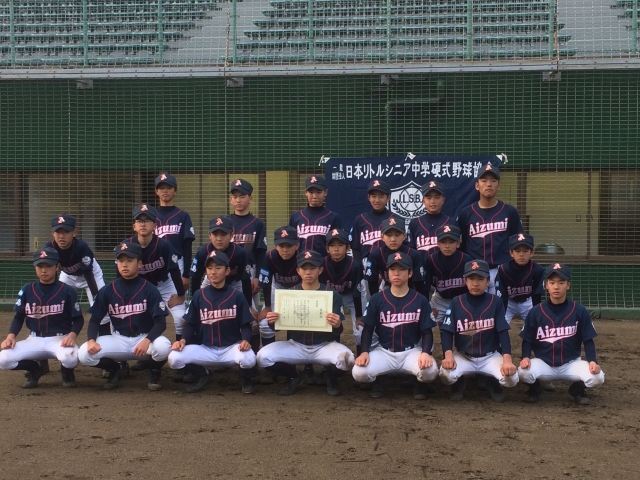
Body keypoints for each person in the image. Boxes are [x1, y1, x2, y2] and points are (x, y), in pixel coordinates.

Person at [257, 250, 354, 396]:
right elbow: (276, 328)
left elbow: (338, 330)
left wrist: (337, 325)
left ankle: (329, 376)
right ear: (298, 271)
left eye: (312, 268)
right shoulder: (288, 294)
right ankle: (294, 376)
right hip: (296, 345)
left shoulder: (332, 294)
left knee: (348, 359)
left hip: (324, 346)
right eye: (304, 268)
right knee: (262, 357)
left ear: (320, 270)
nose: (308, 272)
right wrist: (272, 321)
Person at [78, 242, 172, 391]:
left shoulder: (149, 289)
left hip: (144, 339)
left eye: (129, 260)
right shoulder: (108, 290)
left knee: (164, 347)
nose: (125, 264)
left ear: (139, 264)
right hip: (118, 340)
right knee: (84, 354)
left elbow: (161, 322)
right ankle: (116, 369)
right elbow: (95, 320)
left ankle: (154, 370)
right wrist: (91, 340)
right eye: (121, 261)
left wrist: (147, 340)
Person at [352, 252, 438, 399]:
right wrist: (364, 351)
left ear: (410, 273)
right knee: (359, 373)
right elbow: (368, 329)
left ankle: (418, 384)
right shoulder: (377, 299)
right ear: (387, 273)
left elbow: (427, 332)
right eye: (392, 269)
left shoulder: (420, 300)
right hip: (384, 352)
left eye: (402, 269)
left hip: (411, 352)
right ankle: (380, 379)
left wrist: (425, 352)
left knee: (430, 372)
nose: (396, 273)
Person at [168, 250, 257, 394]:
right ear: (206, 271)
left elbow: (246, 325)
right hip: (205, 349)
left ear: (227, 271)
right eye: (209, 268)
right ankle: (203, 374)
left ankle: (244, 378)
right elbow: (191, 324)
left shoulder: (237, 296)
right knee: (174, 358)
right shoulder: (199, 295)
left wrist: (246, 340)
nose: (213, 272)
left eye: (218, 267)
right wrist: (183, 340)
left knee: (249, 358)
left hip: (231, 349)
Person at [518, 263, 605, 405]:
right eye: (552, 283)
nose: (556, 287)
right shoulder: (536, 311)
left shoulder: (579, 311)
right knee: (523, 372)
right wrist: (526, 357)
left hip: (572, 364)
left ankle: (576, 389)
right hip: (543, 363)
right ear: (546, 285)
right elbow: (527, 339)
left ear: (568, 285)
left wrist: (592, 361)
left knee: (597, 377)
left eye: (561, 282)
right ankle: (535, 388)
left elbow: (588, 340)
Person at [0, 247, 83, 389]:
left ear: (57, 267)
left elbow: (79, 319)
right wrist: (10, 337)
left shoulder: (67, 290)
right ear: (35, 268)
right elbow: (19, 317)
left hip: (60, 339)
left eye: (48, 266)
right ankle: (35, 368)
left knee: (71, 357)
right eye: (40, 266)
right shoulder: (27, 289)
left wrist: (71, 336)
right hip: (34, 340)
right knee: (4, 359)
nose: (44, 270)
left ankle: (67, 372)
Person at [439, 260, 518, 402]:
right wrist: (448, 356)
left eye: (480, 279)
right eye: (471, 278)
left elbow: (503, 332)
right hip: (463, 356)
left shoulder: (495, 301)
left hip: (490, 356)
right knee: (446, 374)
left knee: (511, 378)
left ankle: (491, 381)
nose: (475, 283)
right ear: (465, 281)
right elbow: (447, 331)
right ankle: (459, 381)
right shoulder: (457, 301)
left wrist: (507, 360)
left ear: (487, 281)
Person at [457, 163, 523, 294]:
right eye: (484, 180)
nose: (489, 184)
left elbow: (518, 243)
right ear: (477, 185)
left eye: (493, 181)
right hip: (475, 272)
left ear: (499, 185)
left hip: (502, 270)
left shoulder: (509, 211)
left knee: (500, 307)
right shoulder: (466, 213)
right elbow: (460, 245)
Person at [125, 204, 186, 342]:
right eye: (139, 221)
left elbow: (174, 271)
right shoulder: (127, 246)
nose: (143, 224)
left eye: (147, 220)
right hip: (140, 288)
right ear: (134, 226)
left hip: (165, 284)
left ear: (154, 226)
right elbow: (121, 275)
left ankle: (180, 350)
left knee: (181, 318)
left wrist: (181, 295)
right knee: (131, 319)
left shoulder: (164, 245)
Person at [46, 214, 109, 336]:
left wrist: (96, 297)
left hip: (91, 274)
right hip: (68, 276)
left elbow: (88, 274)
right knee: (58, 305)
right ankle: (58, 336)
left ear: (74, 232)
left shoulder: (81, 247)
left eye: (66, 232)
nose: (61, 236)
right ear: (52, 233)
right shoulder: (50, 249)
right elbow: (50, 271)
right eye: (58, 232)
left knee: (101, 307)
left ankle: (105, 337)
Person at [228, 178, 268, 352]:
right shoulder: (225, 222)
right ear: (231, 200)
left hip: (249, 271)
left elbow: (261, 253)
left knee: (251, 314)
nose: (238, 200)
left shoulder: (257, 223)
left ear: (250, 199)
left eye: (242, 196)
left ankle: (255, 352)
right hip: (225, 271)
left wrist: (257, 277)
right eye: (235, 196)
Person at [320, 228, 367, 356]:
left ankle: (360, 356)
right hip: (331, 296)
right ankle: (334, 356)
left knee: (360, 329)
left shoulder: (354, 265)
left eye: (340, 245)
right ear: (327, 248)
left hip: (352, 296)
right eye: (332, 245)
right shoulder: (322, 264)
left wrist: (358, 316)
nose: (336, 249)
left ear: (348, 248)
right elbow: (321, 290)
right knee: (331, 324)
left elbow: (357, 292)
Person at [257, 226, 301, 349]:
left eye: (289, 246)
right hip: (277, 288)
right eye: (281, 246)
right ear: (276, 246)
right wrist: (268, 306)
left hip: (299, 290)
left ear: (297, 245)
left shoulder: (302, 257)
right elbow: (266, 282)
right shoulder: (269, 256)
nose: (285, 250)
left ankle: (296, 351)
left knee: (298, 321)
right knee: (265, 324)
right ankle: (269, 353)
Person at [154, 173, 195, 293]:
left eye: (169, 187)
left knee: (178, 299)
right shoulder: (150, 217)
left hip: (178, 262)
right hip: (156, 264)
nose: (165, 191)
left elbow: (187, 246)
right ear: (156, 191)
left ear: (175, 191)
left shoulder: (183, 216)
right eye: (161, 188)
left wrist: (186, 274)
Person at [364, 217, 427, 296]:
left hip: (410, 289)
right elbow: (372, 281)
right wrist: (376, 300)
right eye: (389, 235)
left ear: (404, 236)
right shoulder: (376, 255)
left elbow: (419, 284)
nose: (393, 239)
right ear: (382, 237)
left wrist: (417, 300)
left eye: (397, 235)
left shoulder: (414, 254)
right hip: (387, 287)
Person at [425, 225, 472, 324]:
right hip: (440, 300)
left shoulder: (467, 260)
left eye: (451, 242)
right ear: (438, 243)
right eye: (443, 242)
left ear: (458, 243)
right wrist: (428, 306)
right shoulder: (431, 260)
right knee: (427, 322)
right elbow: (425, 287)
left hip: (462, 299)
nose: (447, 246)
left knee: (467, 325)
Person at [495, 234, 544, 325]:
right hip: (509, 303)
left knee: (536, 326)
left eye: (525, 251)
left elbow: (536, 296)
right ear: (511, 253)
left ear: (532, 252)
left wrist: (536, 316)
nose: (521, 254)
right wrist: (501, 319)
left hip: (527, 303)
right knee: (500, 326)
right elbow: (502, 297)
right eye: (517, 251)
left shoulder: (537, 270)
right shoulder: (503, 269)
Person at [289, 175, 342, 256]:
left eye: (318, 192)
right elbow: (291, 242)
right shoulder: (296, 216)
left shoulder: (333, 217)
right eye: (311, 192)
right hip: (301, 261)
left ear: (325, 192)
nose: (314, 196)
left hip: (324, 261)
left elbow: (337, 243)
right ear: (306, 193)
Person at [408, 180, 457, 261]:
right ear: (423, 200)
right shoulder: (415, 223)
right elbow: (411, 252)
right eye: (429, 198)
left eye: (437, 197)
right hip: (421, 267)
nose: (432, 201)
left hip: (445, 267)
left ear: (443, 200)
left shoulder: (452, 223)